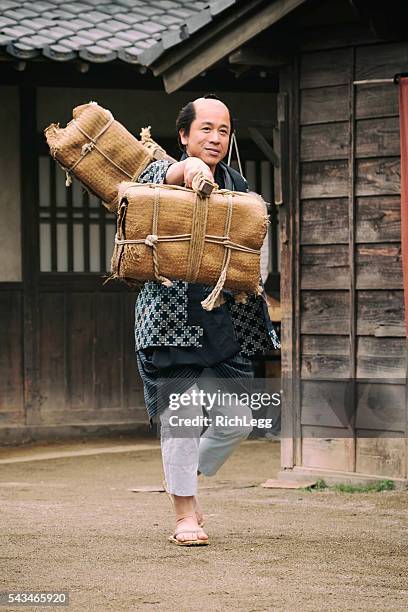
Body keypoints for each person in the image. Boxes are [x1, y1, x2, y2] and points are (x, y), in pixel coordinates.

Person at [135, 94, 280, 546]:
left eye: (223, 130)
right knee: (182, 418)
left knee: (237, 419)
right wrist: (194, 172)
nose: (215, 137)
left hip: (225, 321)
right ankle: (184, 515)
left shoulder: (239, 186)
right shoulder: (159, 176)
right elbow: (174, 173)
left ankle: (186, 480)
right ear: (184, 135)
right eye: (206, 129)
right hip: (171, 318)